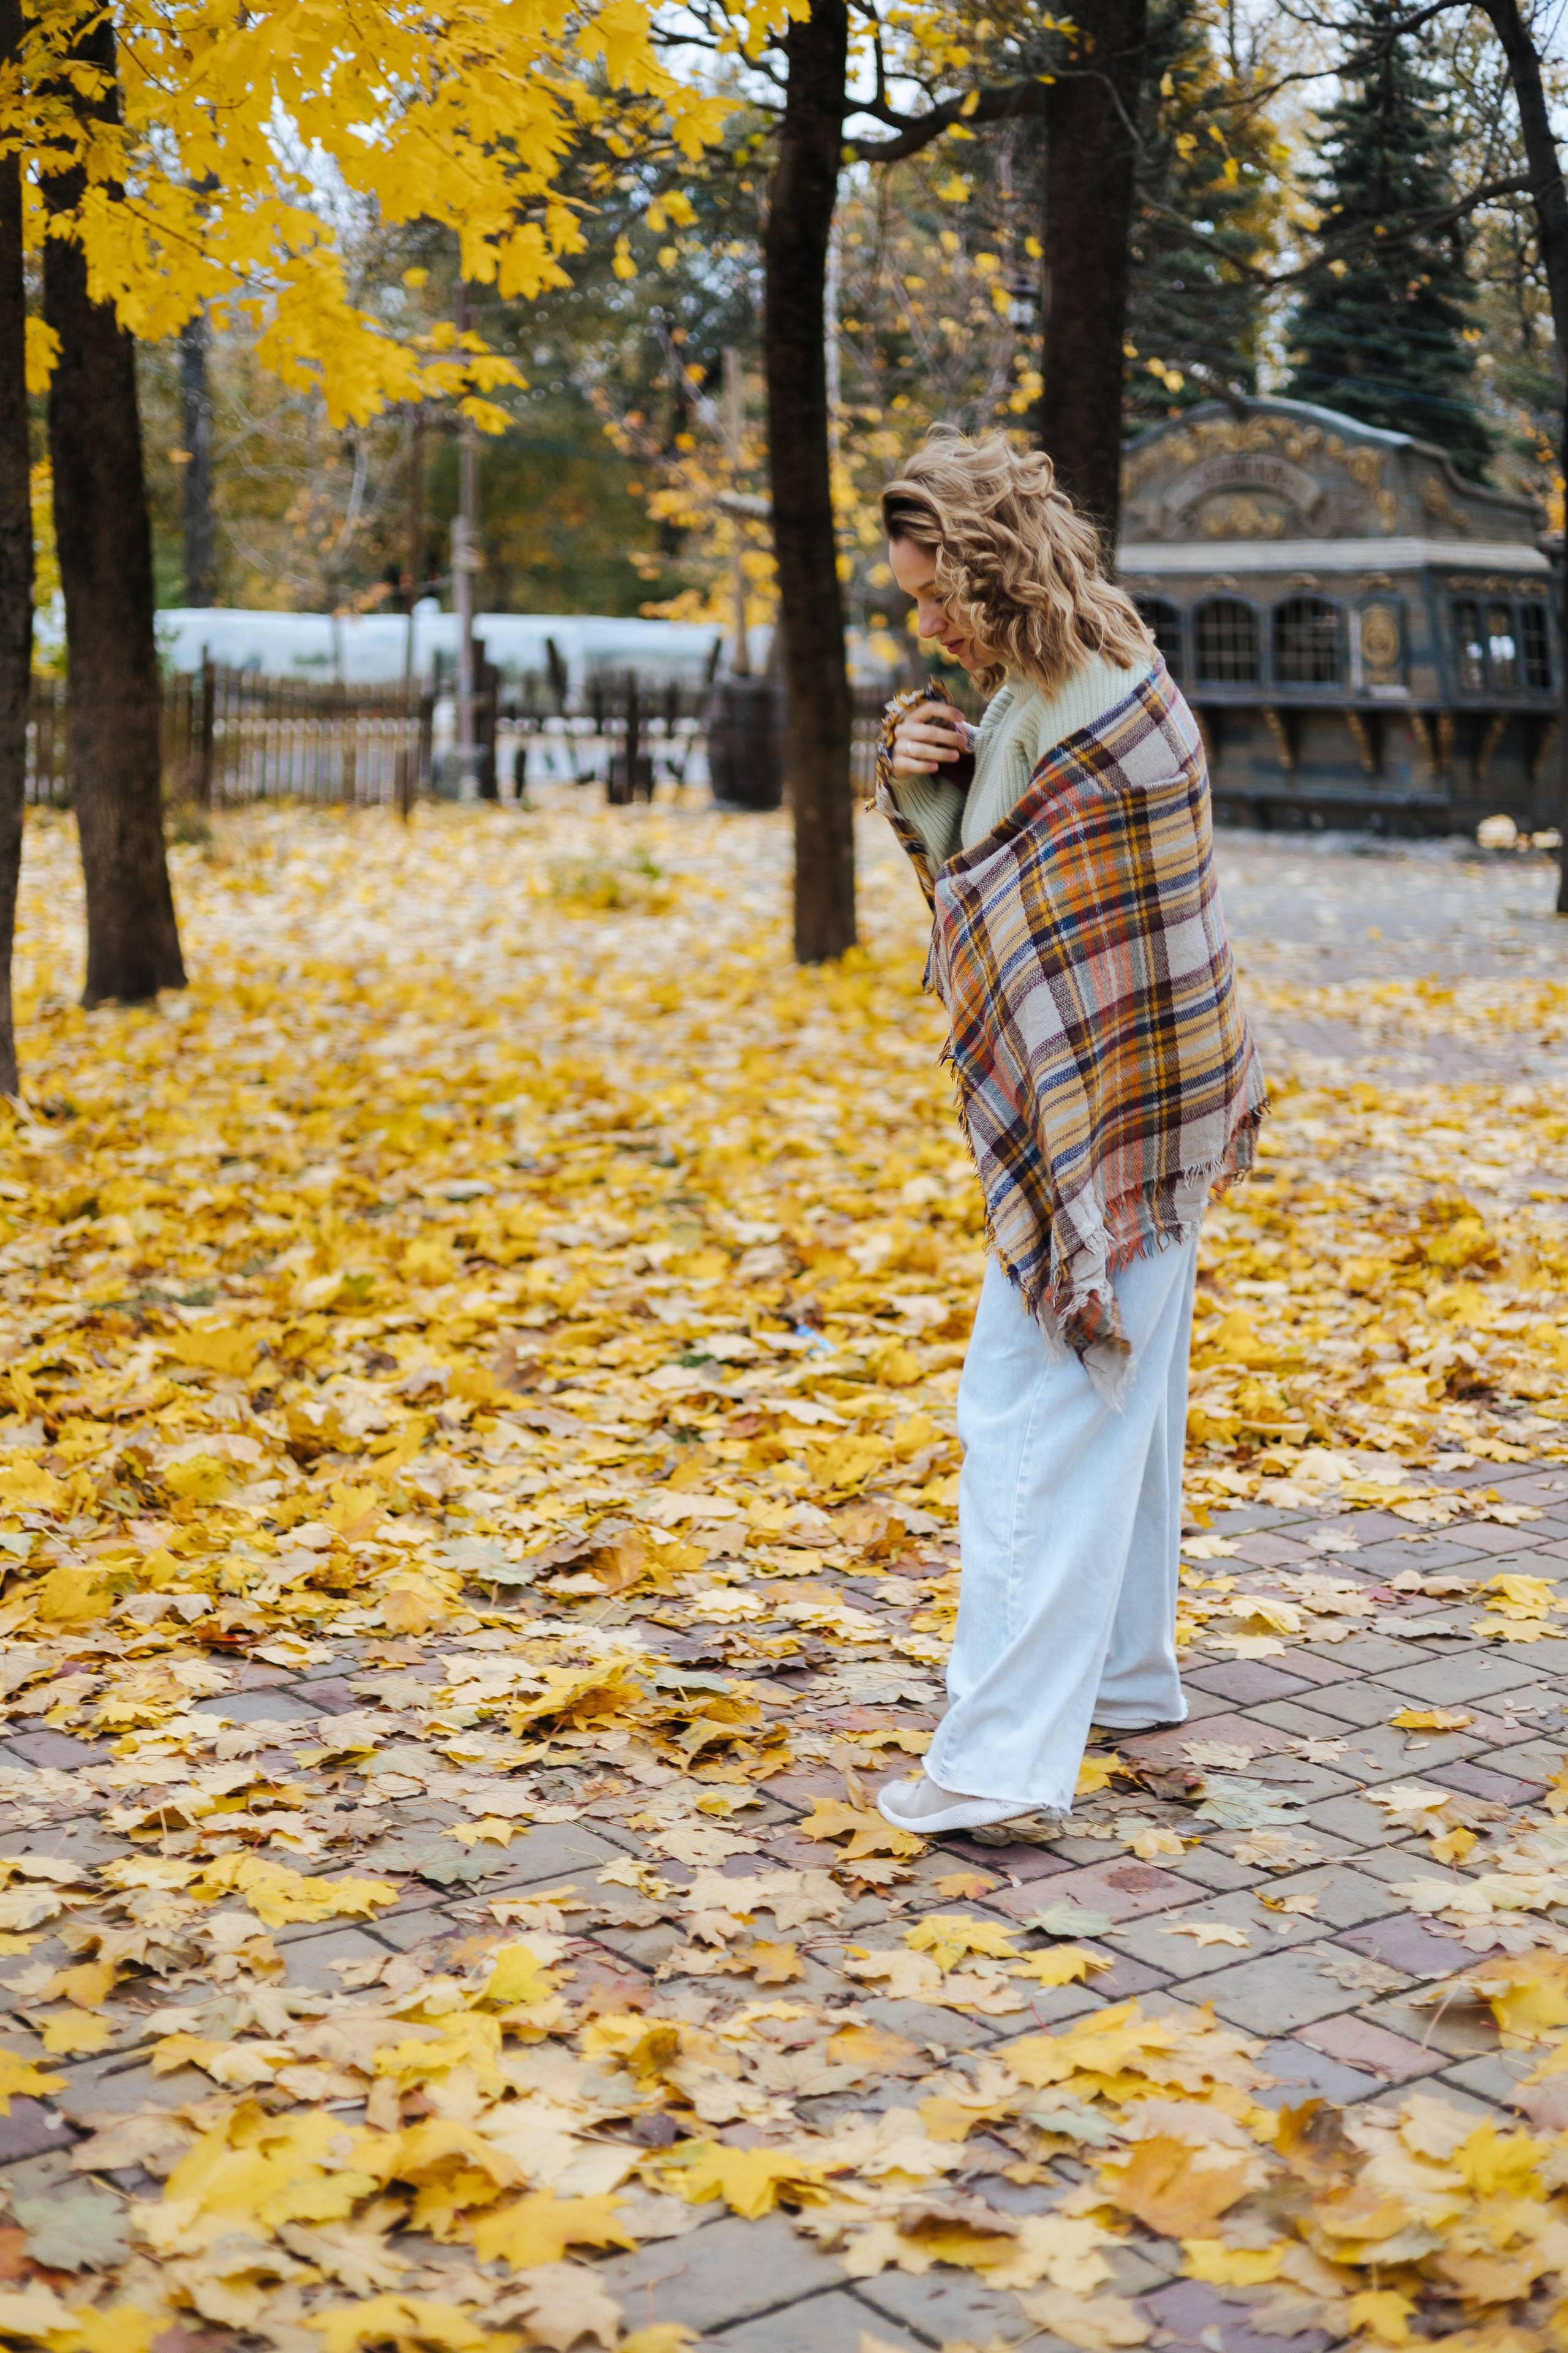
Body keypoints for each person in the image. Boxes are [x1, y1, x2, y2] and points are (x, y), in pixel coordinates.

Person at [873, 430, 1267, 1838]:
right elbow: (988, 881)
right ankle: (1124, 1680)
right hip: (1167, 1096)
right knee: (1127, 1403)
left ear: (990, 567)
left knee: (1032, 1409)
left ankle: (991, 1762)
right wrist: (926, 776)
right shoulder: (1079, 678)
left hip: (1116, 1118)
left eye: (933, 593)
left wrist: (941, 801)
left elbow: (1001, 917)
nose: (920, 622)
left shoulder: (1080, 717)